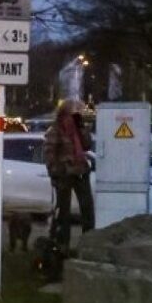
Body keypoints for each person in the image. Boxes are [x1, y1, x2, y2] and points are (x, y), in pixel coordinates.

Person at [42, 98, 94, 253]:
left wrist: (83, 128)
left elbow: (87, 145)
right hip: (64, 173)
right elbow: (49, 152)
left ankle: (89, 242)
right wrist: (55, 171)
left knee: (87, 208)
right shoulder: (56, 130)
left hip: (80, 172)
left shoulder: (77, 129)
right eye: (75, 111)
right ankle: (62, 244)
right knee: (63, 211)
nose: (77, 114)